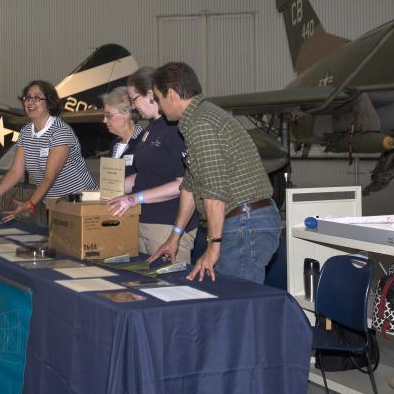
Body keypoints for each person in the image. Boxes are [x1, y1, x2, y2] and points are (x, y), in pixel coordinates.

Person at [147, 61, 281, 283]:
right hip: (244, 222)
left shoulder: (201, 125)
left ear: (171, 94)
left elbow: (213, 192)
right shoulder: (198, 120)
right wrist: (174, 237)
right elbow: (191, 185)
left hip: (243, 224)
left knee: (237, 301)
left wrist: (213, 246)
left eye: (159, 99)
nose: (159, 108)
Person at [107, 67, 195, 262]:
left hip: (166, 224)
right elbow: (147, 174)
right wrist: (110, 189)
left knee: (168, 289)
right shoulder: (151, 129)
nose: (132, 105)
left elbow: (183, 183)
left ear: (150, 95)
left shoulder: (175, 128)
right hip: (143, 221)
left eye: (133, 99)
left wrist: (135, 198)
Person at [0, 80, 96, 221]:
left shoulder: (60, 132)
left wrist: (30, 203)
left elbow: (49, 177)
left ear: (49, 102)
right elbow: (15, 171)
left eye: (37, 98)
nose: (30, 102)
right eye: (27, 97)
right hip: (54, 205)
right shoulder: (26, 132)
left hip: (81, 203)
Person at [101, 87, 142, 174]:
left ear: (126, 114)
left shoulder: (144, 142)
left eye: (108, 115)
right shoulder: (114, 144)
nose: (104, 120)